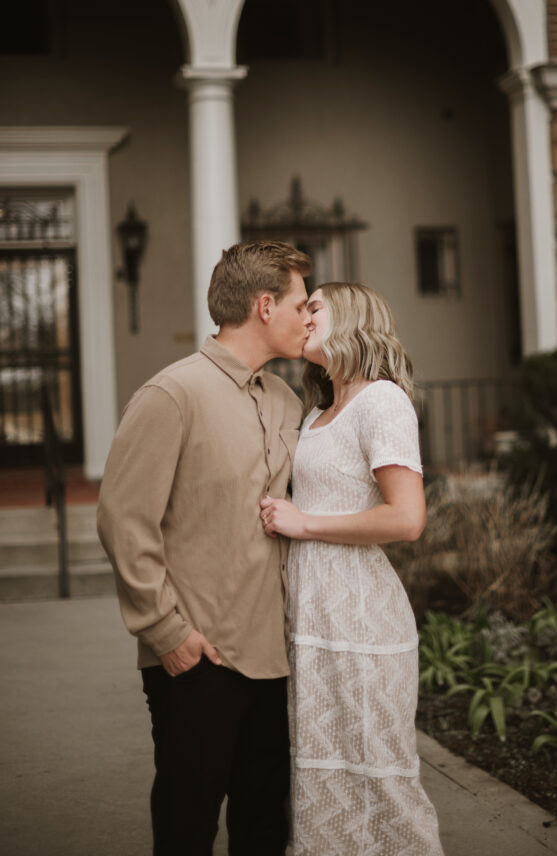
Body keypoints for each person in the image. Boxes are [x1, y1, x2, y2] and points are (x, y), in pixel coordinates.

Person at [97, 240, 311, 856]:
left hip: (273, 659)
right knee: (188, 826)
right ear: (265, 306)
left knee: (265, 827)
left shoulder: (286, 401)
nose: (308, 317)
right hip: (198, 660)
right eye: (301, 303)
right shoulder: (172, 395)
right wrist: (166, 632)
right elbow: (122, 520)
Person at [260, 282, 444, 855]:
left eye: (314, 305)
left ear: (352, 318)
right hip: (313, 614)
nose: (304, 315)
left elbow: (407, 518)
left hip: (362, 616)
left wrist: (304, 523)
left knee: (378, 775)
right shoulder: (318, 410)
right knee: (321, 772)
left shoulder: (382, 401)